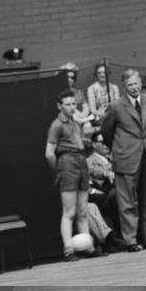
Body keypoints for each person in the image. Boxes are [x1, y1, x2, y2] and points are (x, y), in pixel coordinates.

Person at [101, 68, 146, 252]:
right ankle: (131, 240)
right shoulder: (115, 106)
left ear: (141, 84)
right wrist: (121, 148)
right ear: (124, 86)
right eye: (130, 85)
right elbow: (106, 132)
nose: (134, 88)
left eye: (136, 83)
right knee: (127, 201)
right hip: (126, 158)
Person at [45, 90, 94, 262]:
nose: (72, 107)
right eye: (68, 104)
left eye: (74, 104)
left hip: (81, 163)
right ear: (60, 106)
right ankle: (68, 250)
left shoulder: (76, 122)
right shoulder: (56, 125)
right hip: (67, 164)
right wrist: (59, 170)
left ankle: (89, 248)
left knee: (82, 211)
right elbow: (49, 154)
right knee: (69, 212)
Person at [87, 62, 120, 126]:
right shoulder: (91, 88)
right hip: (99, 117)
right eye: (99, 73)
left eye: (104, 72)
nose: (102, 75)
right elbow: (92, 109)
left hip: (113, 116)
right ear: (96, 74)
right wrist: (101, 114)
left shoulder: (114, 87)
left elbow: (117, 106)